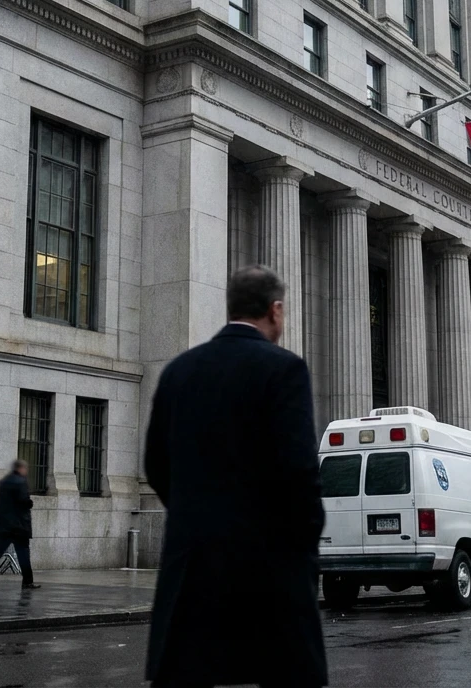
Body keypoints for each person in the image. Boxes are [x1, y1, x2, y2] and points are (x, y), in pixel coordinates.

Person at [143, 265, 328, 688]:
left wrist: (196, 513)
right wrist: (304, 551)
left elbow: (155, 464)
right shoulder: (284, 370)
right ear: (275, 310)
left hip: (192, 569)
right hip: (270, 571)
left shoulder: (178, 371)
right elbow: (300, 474)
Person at [0, 459, 39, 591]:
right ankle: (27, 581)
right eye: (25, 469)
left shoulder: (3, 481)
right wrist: (29, 503)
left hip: (4, 524)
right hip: (19, 525)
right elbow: (23, 501)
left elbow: (1, 500)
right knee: (23, 554)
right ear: (21, 469)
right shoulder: (21, 482)